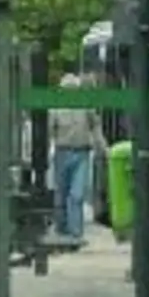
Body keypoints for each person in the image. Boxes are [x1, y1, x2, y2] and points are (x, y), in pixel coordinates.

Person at [48, 73, 107, 243]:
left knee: (77, 194)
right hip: (62, 152)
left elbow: (96, 127)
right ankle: (62, 228)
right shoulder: (55, 108)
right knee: (61, 192)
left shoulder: (86, 106)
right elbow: (50, 131)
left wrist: (102, 148)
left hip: (82, 153)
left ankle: (75, 233)